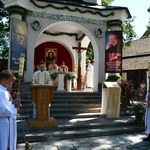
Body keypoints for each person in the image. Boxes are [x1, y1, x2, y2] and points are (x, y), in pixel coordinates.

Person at [0, 70, 17, 150]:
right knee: (3, 143)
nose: (12, 83)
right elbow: (2, 109)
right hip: (3, 123)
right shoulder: (0, 92)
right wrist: (12, 106)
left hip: (8, 121)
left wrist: (13, 104)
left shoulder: (5, 91)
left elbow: (9, 105)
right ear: (4, 80)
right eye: (10, 81)